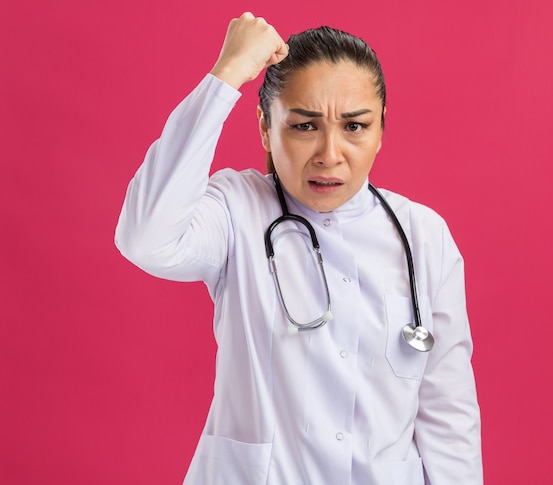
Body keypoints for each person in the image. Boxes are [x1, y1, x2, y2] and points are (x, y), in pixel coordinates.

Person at [115, 12, 483, 484]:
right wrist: (226, 74)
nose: (330, 153)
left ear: (381, 129)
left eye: (355, 127)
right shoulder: (236, 211)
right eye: (304, 126)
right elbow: (145, 236)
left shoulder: (424, 236)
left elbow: (449, 418)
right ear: (266, 128)